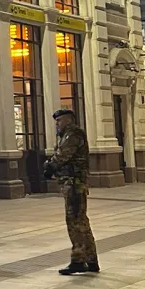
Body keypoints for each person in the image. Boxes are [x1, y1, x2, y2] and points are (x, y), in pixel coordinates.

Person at [44, 109, 99, 275]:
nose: (57, 124)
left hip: (74, 183)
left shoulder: (73, 134)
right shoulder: (67, 135)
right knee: (81, 221)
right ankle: (91, 259)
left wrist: (49, 166)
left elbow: (63, 155)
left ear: (68, 120)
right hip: (72, 183)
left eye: (59, 120)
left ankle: (78, 260)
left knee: (74, 221)